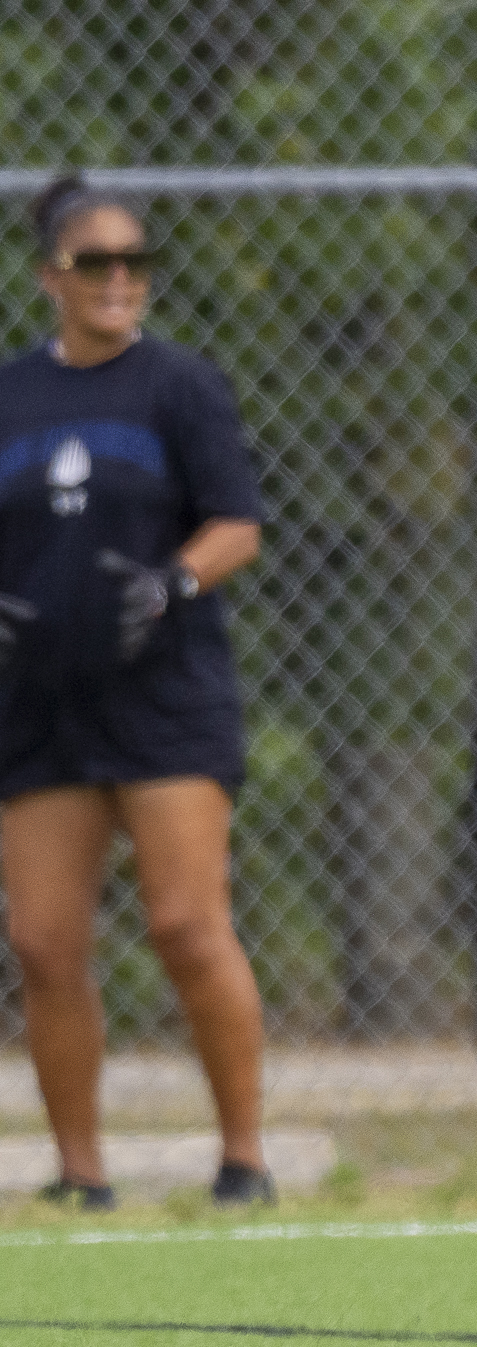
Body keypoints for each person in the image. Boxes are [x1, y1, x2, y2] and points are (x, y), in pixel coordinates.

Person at [0, 176, 271, 1210]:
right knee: (44, 940)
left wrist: (175, 582)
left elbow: (235, 523)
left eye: (134, 263)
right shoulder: (13, 392)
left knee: (184, 925)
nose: (119, 280)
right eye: (94, 263)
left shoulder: (180, 386)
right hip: (38, 703)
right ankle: (81, 1173)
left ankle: (243, 1159)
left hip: (165, 700)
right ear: (49, 278)